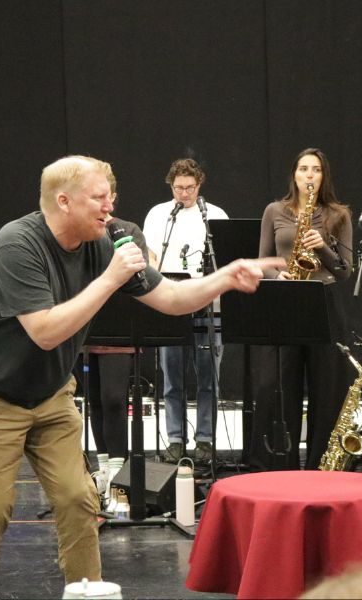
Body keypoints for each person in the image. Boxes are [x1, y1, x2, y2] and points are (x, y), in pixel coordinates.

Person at [0, 155, 281, 599]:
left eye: (112, 196)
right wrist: (109, 279)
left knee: (79, 501)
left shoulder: (104, 240)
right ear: (63, 202)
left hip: (48, 392)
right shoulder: (17, 244)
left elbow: (174, 298)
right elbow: (45, 332)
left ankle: (87, 593)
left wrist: (224, 277)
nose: (110, 206)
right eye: (99, 197)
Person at [249, 147, 353, 471]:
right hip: (286, 299)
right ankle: (281, 465)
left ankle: (322, 467)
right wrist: (274, 273)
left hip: (324, 301)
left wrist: (320, 246)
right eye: (304, 169)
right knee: (277, 387)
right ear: (294, 174)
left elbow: (346, 269)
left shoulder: (339, 214)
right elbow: (261, 260)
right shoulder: (274, 211)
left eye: (316, 170)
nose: (309, 175)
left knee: (327, 388)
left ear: (324, 176)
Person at [141, 158, 228, 465]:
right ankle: (175, 439)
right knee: (172, 378)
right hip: (171, 302)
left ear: (199, 185)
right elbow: (150, 255)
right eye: (178, 188)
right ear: (171, 185)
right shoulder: (158, 215)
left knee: (208, 378)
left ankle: (205, 439)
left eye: (190, 188)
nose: (184, 194)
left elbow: (224, 261)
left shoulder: (214, 214)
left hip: (207, 304)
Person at [82, 165, 142, 478]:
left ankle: (119, 470)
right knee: (94, 400)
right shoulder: (82, 234)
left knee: (114, 398)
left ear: (113, 198)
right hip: (88, 328)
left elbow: (137, 274)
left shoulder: (127, 230)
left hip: (119, 329)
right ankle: (104, 468)